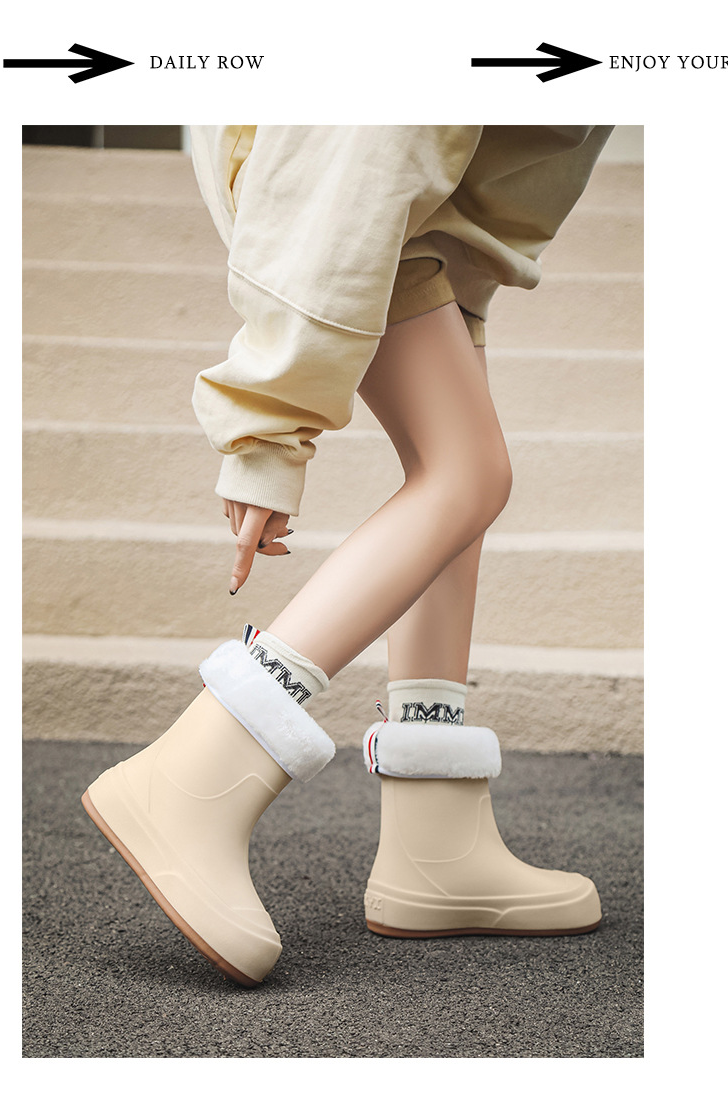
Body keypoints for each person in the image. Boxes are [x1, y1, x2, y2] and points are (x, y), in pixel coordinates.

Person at [82, 125, 613, 987]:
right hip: (346, 200)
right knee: (467, 473)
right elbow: (350, 147)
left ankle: (436, 840)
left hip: (415, 222)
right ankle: (195, 772)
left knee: (460, 472)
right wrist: (266, 426)